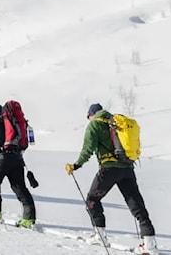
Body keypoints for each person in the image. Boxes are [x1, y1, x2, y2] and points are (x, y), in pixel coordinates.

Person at [66, 103, 158, 254]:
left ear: (92, 114)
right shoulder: (116, 123)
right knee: (136, 204)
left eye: (88, 117)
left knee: (92, 199)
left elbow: (87, 149)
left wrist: (76, 165)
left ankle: (100, 236)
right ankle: (149, 243)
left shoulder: (94, 125)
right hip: (127, 169)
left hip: (108, 169)